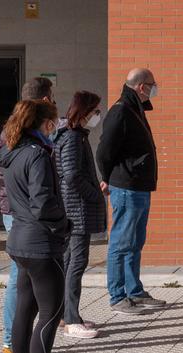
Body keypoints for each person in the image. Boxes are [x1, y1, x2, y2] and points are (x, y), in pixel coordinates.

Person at [0, 99, 72, 353]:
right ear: (46, 124)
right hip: (41, 243)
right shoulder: (37, 155)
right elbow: (43, 202)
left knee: (25, 311)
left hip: (20, 241)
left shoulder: (10, 153)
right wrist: (64, 223)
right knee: (51, 314)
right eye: (54, 121)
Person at [0, 76, 56, 353]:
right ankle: (12, 340)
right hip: (21, 213)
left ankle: (18, 342)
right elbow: (3, 171)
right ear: (43, 101)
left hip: (23, 211)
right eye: (52, 98)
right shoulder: (16, 132)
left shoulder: (21, 131)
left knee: (26, 283)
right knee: (20, 278)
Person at [96, 68, 165, 315]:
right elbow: (104, 152)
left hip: (139, 186)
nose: (155, 88)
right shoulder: (121, 111)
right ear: (140, 87)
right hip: (126, 187)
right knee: (121, 242)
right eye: (152, 84)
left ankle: (134, 291)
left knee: (135, 241)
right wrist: (107, 178)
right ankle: (117, 295)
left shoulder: (134, 108)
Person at [53, 91, 107, 338]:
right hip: (77, 209)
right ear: (85, 112)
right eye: (96, 110)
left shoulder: (75, 136)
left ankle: (66, 315)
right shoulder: (73, 138)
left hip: (75, 207)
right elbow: (72, 175)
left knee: (70, 262)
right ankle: (71, 319)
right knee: (76, 263)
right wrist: (94, 194)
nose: (98, 115)